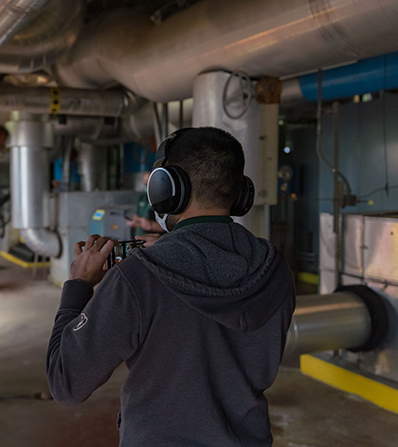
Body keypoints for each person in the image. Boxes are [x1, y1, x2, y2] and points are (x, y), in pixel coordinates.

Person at [46, 127, 295, 447]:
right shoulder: (274, 268)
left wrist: (78, 285)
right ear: (241, 191)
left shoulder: (139, 278)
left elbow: (66, 382)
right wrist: (173, 247)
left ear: (166, 187)